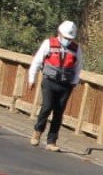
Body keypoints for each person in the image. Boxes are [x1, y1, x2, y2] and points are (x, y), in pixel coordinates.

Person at [28, 21, 84, 152]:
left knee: (58, 112)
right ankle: (38, 131)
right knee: (47, 107)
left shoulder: (76, 49)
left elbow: (78, 67)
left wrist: (74, 81)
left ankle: (51, 141)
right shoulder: (48, 43)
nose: (68, 41)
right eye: (66, 38)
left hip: (65, 84)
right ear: (59, 33)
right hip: (49, 81)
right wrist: (32, 78)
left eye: (70, 38)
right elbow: (37, 61)